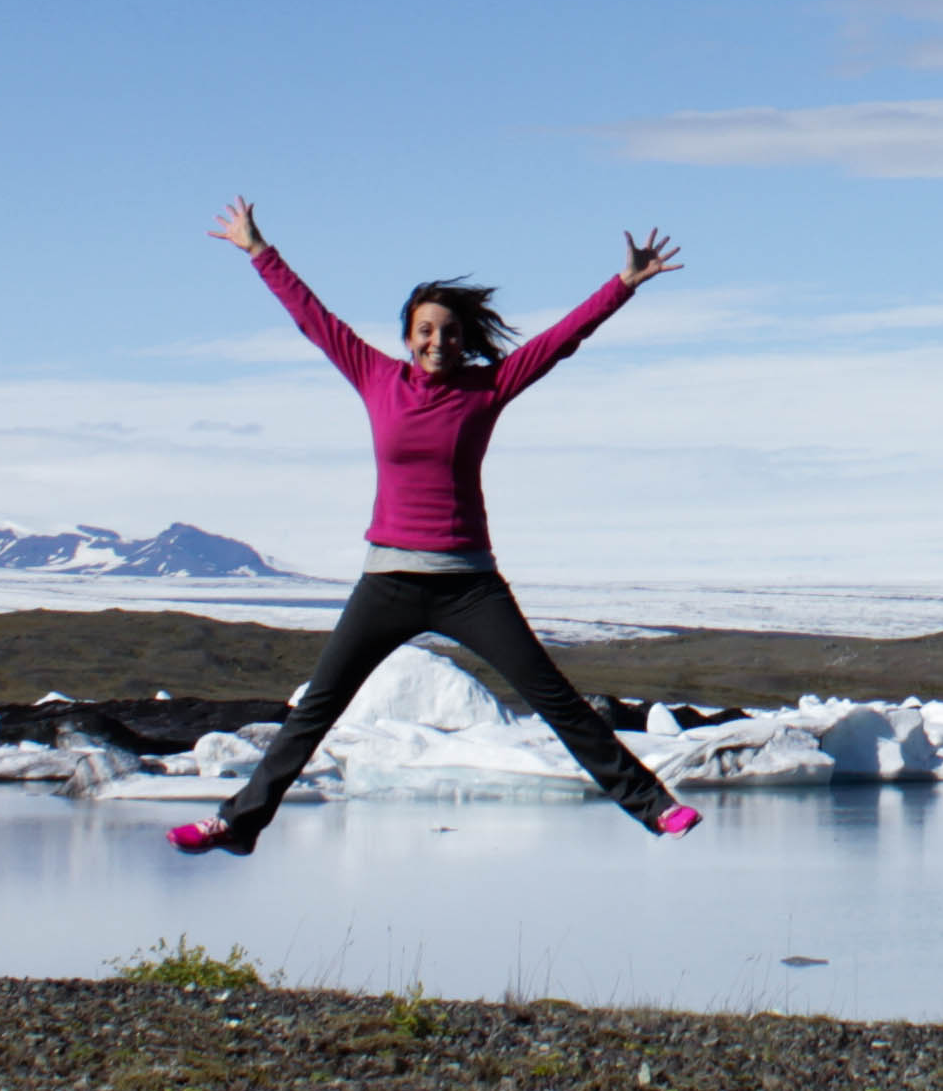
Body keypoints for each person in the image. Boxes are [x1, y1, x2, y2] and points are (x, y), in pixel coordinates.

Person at [171, 198, 702, 854]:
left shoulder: (488, 388)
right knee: (316, 710)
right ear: (407, 336)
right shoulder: (375, 375)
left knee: (556, 700)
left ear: (464, 340)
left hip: (470, 586)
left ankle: (654, 806)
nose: (437, 342)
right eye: (425, 330)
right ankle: (238, 823)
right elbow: (312, 317)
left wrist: (623, 285)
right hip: (387, 582)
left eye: (449, 332)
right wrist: (259, 250)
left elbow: (559, 341)